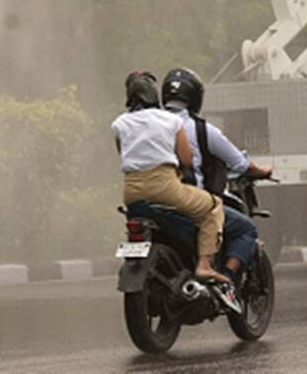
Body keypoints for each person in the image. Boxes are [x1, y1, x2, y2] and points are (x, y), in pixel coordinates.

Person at [111, 70, 230, 284]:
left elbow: (124, 153)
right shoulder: (170, 120)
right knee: (213, 206)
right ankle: (204, 265)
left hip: (132, 193)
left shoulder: (120, 123)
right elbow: (186, 159)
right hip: (166, 189)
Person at [161, 67, 272, 282]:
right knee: (245, 229)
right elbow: (240, 163)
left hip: (152, 201)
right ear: (195, 97)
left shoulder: (149, 125)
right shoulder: (201, 130)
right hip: (189, 203)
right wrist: (263, 171)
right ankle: (227, 281)